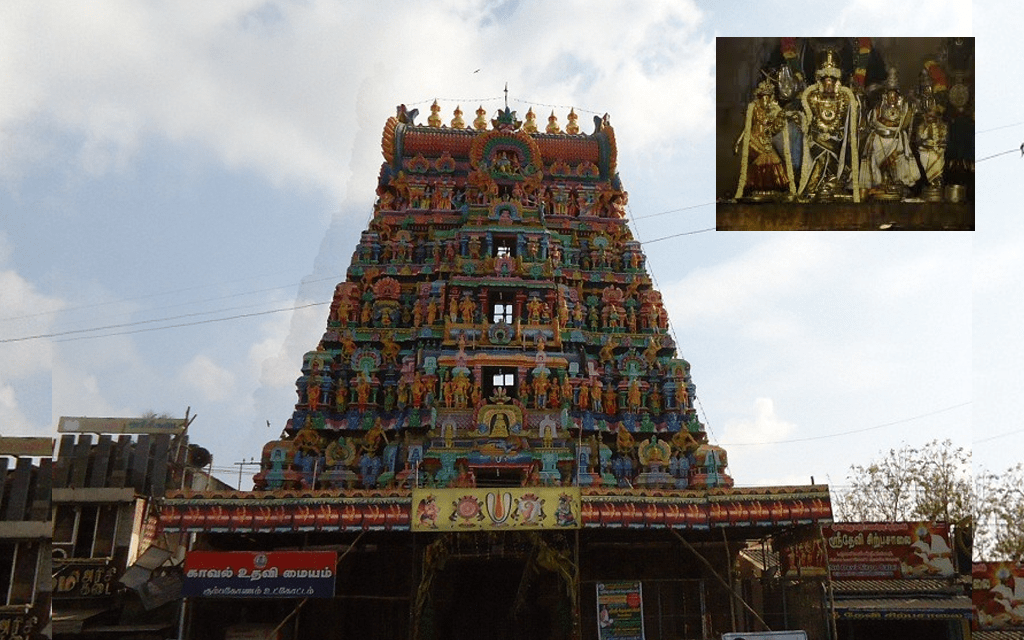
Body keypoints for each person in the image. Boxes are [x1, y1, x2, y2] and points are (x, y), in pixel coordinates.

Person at [798, 50, 860, 202]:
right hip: (817, 138)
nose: (829, 85)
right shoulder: (812, 97)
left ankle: (834, 185)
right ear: (820, 82)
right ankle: (814, 187)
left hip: (836, 140)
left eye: (832, 80)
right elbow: (810, 119)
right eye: (826, 80)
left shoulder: (844, 99)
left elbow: (847, 121)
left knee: (838, 156)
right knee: (821, 157)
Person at [860, 68, 919, 198]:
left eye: (895, 95)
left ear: (898, 96)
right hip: (879, 139)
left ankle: (895, 183)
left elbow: (906, 121)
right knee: (878, 163)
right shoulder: (879, 108)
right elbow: (871, 121)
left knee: (895, 162)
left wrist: (912, 106)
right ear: (885, 96)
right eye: (890, 95)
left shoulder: (903, 109)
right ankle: (880, 183)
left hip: (895, 140)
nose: (892, 98)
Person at [734, 78, 795, 199]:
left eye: (768, 97)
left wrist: (780, 118)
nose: (766, 100)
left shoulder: (772, 110)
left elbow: (774, 129)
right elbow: (746, 128)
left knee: (773, 159)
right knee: (761, 160)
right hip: (755, 139)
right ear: (759, 96)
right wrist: (738, 142)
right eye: (764, 97)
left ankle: (771, 188)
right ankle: (756, 188)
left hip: (766, 140)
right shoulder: (754, 108)